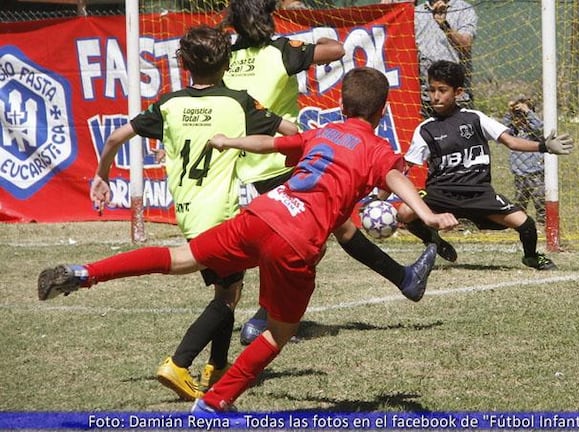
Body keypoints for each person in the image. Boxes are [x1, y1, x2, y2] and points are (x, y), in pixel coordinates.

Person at [38, 67, 459, 414]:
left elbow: (271, 143)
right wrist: (428, 214)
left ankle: (85, 272)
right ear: (382, 109)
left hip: (261, 214)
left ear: (342, 105)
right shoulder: (377, 148)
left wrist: (229, 141)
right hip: (296, 240)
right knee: (277, 332)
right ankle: (216, 402)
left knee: (177, 257)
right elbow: (395, 176)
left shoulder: (323, 133)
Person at [89, 25, 298, 401]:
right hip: (220, 216)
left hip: (187, 214)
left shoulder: (168, 105)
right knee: (227, 298)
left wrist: (101, 175)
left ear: (182, 63)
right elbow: (290, 129)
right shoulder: (238, 102)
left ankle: (216, 366)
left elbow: (115, 137)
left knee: (228, 288)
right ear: (229, 61)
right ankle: (178, 363)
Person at [223, 0, 428, 346]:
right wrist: (308, 19)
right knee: (300, 239)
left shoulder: (228, 57)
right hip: (290, 160)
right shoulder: (281, 51)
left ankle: (406, 279)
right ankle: (264, 318)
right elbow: (337, 49)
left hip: (249, 162)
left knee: (339, 228)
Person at [398, 60, 574, 270]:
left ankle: (531, 256)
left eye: (442, 90)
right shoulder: (425, 129)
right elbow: (404, 167)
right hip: (441, 193)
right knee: (405, 212)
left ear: (459, 92)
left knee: (525, 224)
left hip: (478, 193)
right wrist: (377, 197)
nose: (435, 96)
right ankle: (433, 239)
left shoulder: (475, 118)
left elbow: (511, 141)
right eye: (431, 90)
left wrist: (543, 146)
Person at [414, 0, 477, 117]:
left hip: (457, 95)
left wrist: (444, 24)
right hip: (427, 96)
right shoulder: (417, 13)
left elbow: (465, 46)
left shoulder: (463, 9)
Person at [502, 96, 546, 225]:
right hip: (519, 173)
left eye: (522, 115)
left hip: (536, 172)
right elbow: (501, 129)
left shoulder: (534, 130)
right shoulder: (513, 132)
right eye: (517, 116)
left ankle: (542, 222)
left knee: (540, 200)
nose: (519, 119)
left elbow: (540, 128)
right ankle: (521, 223)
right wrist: (509, 113)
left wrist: (528, 112)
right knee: (520, 201)